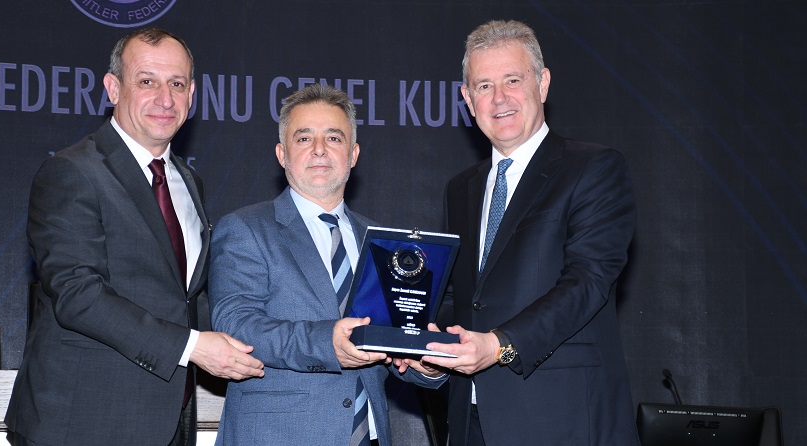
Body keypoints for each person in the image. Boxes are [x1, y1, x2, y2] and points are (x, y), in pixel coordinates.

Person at [5, 28, 264, 446]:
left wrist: (279, 336)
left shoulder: (188, 182)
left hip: (169, 421)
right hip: (82, 424)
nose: (165, 99)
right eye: (147, 81)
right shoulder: (72, 171)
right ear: (113, 88)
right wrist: (193, 347)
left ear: (192, 94)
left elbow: (186, 299)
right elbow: (78, 294)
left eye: (176, 84)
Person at [420, 20, 641, 445]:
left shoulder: (593, 169)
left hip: (561, 421)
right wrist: (428, 348)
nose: (499, 98)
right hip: (471, 422)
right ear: (467, 99)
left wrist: (499, 345)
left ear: (542, 84)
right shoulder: (461, 189)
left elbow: (588, 282)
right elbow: (458, 300)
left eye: (513, 80)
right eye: (484, 86)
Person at [209, 84, 446, 446]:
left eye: (334, 138)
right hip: (279, 437)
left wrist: (425, 365)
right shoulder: (245, 228)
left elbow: (392, 340)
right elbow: (236, 324)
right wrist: (325, 343)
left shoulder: (382, 242)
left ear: (353, 154)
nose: (319, 149)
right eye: (304, 138)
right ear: (282, 154)